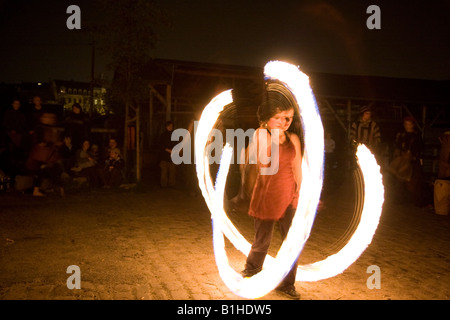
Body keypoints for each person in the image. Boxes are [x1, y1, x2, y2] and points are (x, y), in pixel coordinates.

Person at [240, 90, 302, 300]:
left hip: (289, 197)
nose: (284, 122)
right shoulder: (260, 135)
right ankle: (252, 270)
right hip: (267, 196)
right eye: (278, 117)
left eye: (289, 118)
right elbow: (254, 162)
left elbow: (297, 168)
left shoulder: (293, 138)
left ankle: (287, 283)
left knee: (291, 241)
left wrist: (302, 194)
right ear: (267, 119)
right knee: (262, 239)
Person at [388, 116, 425, 206]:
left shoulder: (416, 135)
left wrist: (413, 155)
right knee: (399, 178)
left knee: (414, 181)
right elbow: (397, 145)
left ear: (412, 125)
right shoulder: (401, 134)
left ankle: (416, 201)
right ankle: (398, 199)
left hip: (413, 160)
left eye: (409, 124)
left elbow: (420, 147)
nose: (408, 126)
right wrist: (399, 155)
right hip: (402, 160)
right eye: (406, 124)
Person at [158, 120, 177, 188]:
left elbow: (176, 144)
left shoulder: (174, 135)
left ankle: (171, 184)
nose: (170, 127)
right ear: (166, 127)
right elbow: (161, 145)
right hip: (164, 157)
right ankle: (163, 185)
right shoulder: (163, 135)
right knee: (164, 172)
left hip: (172, 157)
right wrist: (168, 150)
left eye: (171, 126)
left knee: (172, 172)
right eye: (169, 126)